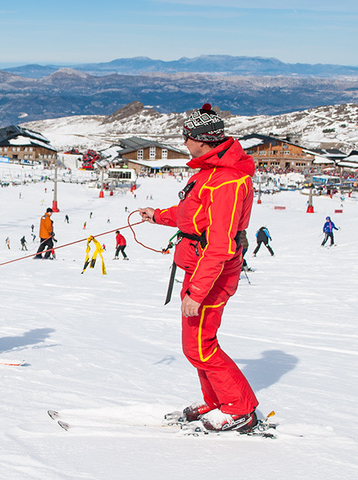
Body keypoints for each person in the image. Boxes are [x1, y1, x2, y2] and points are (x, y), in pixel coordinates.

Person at [139, 103, 258, 432]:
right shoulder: (210, 173)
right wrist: (158, 215)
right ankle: (218, 399)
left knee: (200, 346)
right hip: (197, 268)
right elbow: (192, 216)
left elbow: (220, 244)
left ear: (202, 142)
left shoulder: (227, 182)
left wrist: (197, 291)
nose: (185, 143)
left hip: (212, 275)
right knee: (196, 344)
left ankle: (239, 407)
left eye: (187, 137)